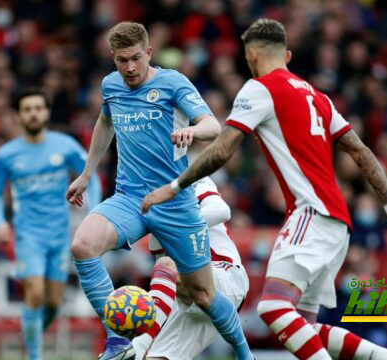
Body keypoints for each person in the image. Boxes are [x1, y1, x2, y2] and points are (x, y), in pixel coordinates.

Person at [141, 19, 387, 360]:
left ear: (252, 55)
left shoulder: (259, 88)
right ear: (287, 54)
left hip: (310, 214)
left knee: (274, 309)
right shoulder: (318, 97)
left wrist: (174, 187)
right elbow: (361, 152)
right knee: (305, 327)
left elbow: (222, 148)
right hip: (338, 222)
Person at [66, 21, 253, 360]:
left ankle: (244, 353)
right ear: (113, 58)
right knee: (82, 246)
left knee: (204, 296)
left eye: (136, 58)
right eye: (122, 60)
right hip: (130, 198)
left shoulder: (172, 82)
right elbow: (105, 121)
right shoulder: (111, 86)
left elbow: (213, 125)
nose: (130, 67)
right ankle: (118, 342)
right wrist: (86, 173)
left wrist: (192, 133)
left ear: (149, 52)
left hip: (172, 200)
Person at [0, 88, 101, 360]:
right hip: (28, 235)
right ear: (18, 115)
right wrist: (1, 223)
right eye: (27, 109)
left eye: (38, 108)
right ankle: (35, 356)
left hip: (60, 235)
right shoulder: (7, 155)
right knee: (35, 293)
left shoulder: (64, 146)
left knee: (52, 301)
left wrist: (93, 214)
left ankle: (31, 335)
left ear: (47, 112)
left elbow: (92, 177)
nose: (33, 113)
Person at [132, 176, 249, 360]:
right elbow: (166, 279)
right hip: (189, 296)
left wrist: (173, 225)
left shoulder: (193, 179)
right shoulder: (147, 200)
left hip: (225, 273)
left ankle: (138, 345)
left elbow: (222, 211)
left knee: (167, 265)